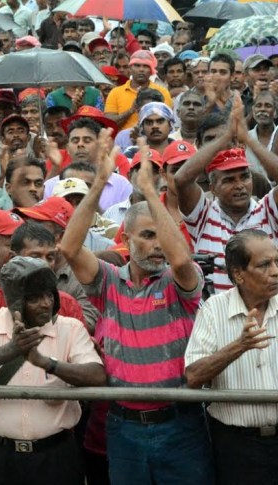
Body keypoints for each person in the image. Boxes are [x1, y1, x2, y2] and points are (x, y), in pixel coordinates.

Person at [61, 133, 214, 485]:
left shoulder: (180, 284)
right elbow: (69, 248)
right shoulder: (108, 283)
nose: (157, 244)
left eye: (161, 235)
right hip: (124, 427)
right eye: (147, 235)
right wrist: (99, 182)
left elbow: (179, 256)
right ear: (125, 239)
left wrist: (150, 191)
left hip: (182, 424)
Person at [0, 256, 105, 484]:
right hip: (1, 457)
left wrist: (47, 363)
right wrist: (13, 350)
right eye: (34, 298)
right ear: (15, 302)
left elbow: (97, 375)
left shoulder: (70, 328)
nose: (45, 303)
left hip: (56, 456)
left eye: (49, 295)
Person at [185, 229, 278, 485]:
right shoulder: (214, 310)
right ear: (238, 274)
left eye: (277, 262)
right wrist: (240, 346)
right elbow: (193, 376)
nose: (275, 271)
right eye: (264, 265)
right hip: (236, 446)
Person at [174, 96, 278, 294]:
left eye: (244, 177)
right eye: (229, 180)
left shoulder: (267, 211)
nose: (239, 185)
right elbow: (181, 180)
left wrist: (246, 138)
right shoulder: (203, 216)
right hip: (216, 318)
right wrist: (225, 137)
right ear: (212, 187)